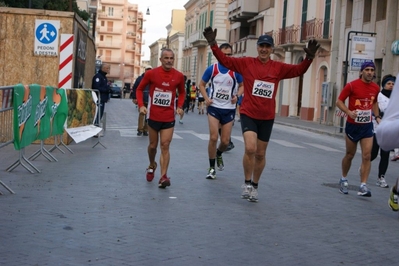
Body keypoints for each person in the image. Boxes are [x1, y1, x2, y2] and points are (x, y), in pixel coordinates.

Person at [203, 27, 320, 202]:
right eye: (261, 46)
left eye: (267, 46)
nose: (264, 49)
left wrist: (309, 58)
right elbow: (225, 61)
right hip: (249, 113)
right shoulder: (247, 63)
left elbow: (298, 71)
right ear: (257, 48)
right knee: (250, 148)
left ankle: (255, 186)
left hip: (267, 117)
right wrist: (213, 44)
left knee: (260, 154)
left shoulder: (278, 67)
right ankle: (247, 182)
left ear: (271, 49)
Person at [136, 48, 186, 188]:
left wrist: (180, 106)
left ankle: (163, 176)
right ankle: (152, 164)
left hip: (169, 117)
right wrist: (141, 105)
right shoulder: (152, 74)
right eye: (166, 58)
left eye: (171, 58)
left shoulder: (179, 76)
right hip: (153, 116)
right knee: (153, 146)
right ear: (161, 59)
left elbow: (182, 93)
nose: (169, 61)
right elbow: (139, 89)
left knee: (165, 145)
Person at [198, 43, 244, 180]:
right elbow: (201, 84)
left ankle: (219, 154)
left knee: (224, 142)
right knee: (213, 137)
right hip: (214, 107)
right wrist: (206, 98)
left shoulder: (235, 70)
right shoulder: (213, 69)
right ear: (219, 55)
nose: (227, 57)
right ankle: (211, 168)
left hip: (229, 109)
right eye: (225, 54)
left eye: (230, 54)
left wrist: (238, 96)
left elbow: (242, 86)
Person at [336, 61, 380, 197]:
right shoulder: (351, 85)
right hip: (353, 125)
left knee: (367, 155)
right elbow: (339, 101)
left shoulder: (375, 88)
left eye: (372, 70)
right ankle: (343, 178)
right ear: (361, 72)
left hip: (367, 126)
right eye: (367, 69)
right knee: (350, 155)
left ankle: (363, 186)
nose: (370, 72)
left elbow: (374, 102)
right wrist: (349, 112)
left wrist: (377, 116)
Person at [375, 73, 399, 211]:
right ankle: (396, 190)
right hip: (380, 128)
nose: (391, 85)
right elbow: (385, 138)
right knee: (372, 154)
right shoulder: (381, 96)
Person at [370, 74, 395, 188]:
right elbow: (374, 109)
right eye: (389, 84)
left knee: (385, 155)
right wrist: (378, 117)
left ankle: (381, 177)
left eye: (393, 84)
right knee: (374, 153)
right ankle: (365, 164)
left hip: (390, 130)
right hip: (377, 129)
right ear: (384, 85)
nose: (391, 86)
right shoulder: (378, 96)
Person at [132, 66, 152, 136]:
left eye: (150, 70)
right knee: (141, 114)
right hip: (142, 99)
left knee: (148, 116)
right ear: (145, 70)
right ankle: (140, 129)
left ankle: (146, 130)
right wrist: (134, 97)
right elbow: (135, 88)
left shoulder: (153, 79)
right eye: (147, 70)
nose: (149, 71)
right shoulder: (140, 79)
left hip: (150, 100)